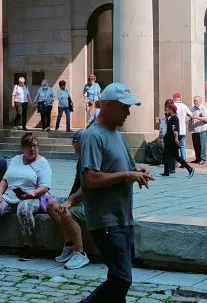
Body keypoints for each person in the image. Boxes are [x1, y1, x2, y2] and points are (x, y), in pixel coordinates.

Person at [79, 82, 154, 302]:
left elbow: (126, 168)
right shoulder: (92, 136)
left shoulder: (117, 135)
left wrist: (137, 172)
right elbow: (91, 178)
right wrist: (127, 175)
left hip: (123, 217)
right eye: (124, 107)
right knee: (122, 278)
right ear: (108, 105)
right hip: (105, 220)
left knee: (117, 277)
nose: (128, 113)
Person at [0, 133, 52, 261]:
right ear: (22, 148)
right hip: (10, 195)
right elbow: (5, 180)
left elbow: (45, 186)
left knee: (24, 209)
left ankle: (28, 246)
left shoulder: (43, 163)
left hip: (32, 196)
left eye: (34, 146)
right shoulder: (16, 159)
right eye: (29, 146)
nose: (32, 149)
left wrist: (31, 194)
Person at [47, 134, 90, 270]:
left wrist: (70, 202)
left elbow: (87, 187)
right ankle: (69, 245)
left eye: (76, 145)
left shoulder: (90, 159)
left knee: (67, 212)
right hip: (77, 198)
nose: (74, 148)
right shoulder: (82, 158)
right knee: (51, 204)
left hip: (90, 203)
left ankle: (80, 253)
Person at [161, 102, 195, 177]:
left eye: (167, 110)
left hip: (171, 141)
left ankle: (167, 172)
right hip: (170, 140)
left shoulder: (174, 119)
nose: (166, 111)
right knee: (175, 157)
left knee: (167, 156)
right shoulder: (172, 118)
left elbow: (175, 130)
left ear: (171, 110)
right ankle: (189, 169)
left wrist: (176, 139)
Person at [189, 96, 207, 164]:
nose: (195, 102)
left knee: (202, 145)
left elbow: (206, 118)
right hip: (195, 129)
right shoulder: (193, 108)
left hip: (202, 129)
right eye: (194, 101)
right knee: (196, 145)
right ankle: (197, 158)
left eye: (197, 101)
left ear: (200, 101)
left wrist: (197, 117)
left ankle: (203, 158)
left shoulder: (203, 108)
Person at [171, 93, 191, 163]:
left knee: (175, 146)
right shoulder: (184, 106)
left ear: (174, 98)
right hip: (182, 129)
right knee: (182, 146)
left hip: (174, 129)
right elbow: (191, 115)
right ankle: (183, 161)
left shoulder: (173, 106)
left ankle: (176, 161)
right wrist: (185, 121)